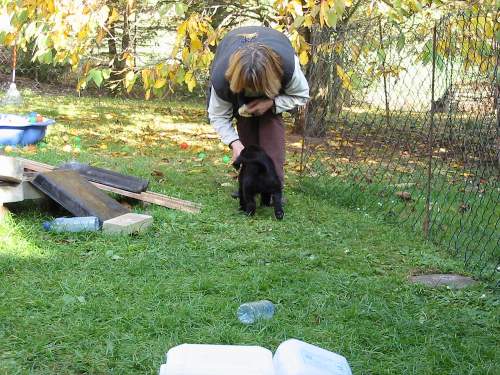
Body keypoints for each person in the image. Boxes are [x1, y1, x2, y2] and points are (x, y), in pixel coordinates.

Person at [208, 26, 310, 187]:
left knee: (271, 127)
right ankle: (250, 184)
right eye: (247, 88)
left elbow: (302, 95)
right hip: (232, 59)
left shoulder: (288, 67)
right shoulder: (221, 77)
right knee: (246, 125)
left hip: (272, 91)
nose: (252, 93)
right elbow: (218, 116)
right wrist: (235, 143)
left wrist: (272, 103)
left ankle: (272, 185)